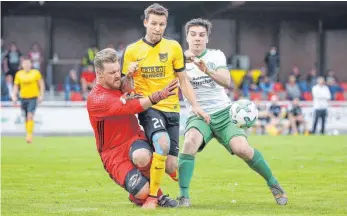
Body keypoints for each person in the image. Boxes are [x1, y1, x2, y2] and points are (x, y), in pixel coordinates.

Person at [177, 18, 287, 207]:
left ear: (207, 39)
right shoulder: (177, 58)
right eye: (193, 34)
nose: (197, 39)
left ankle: (273, 184)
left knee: (242, 149)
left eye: (201, 35)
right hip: (198, 115)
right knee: (189, 143)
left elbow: (226, 80)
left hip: (224, 113)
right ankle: (183, 196)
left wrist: (207, 70)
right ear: (187, 37)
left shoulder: (215, 56)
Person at [121, 3, 210, 208]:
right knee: (162, 143)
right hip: (149, 106)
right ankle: (152, 197)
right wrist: (129, 74)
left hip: (173, 109)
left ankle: (147, 185)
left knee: (171, 164)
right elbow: (125, 87)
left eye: (161, 24)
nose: (157, 28)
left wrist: (195, 105)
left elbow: (183, 80)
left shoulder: (174, 47)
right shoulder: (133, 50)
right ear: (145, 23)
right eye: (153, 23)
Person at [87, 48, 179, 209]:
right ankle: (141, 195)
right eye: (112, 72)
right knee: (141, 192)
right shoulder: (97, 99)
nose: (117, 75)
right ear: (99, 74)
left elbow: (126, 86)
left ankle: (158, 196)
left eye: (118, 70)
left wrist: (129, 75)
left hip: (133, 138)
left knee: (142, 156)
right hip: (112, 153)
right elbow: (133, 106)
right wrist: (159, 95)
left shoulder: (117, 84)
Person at [12, 58, 45, 143]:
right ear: (22, 65)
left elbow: (41, 84)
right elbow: (16, 86)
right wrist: (14, 96)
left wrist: (41, 95)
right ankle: (28, 133)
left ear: (31, 64)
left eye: (28, 63)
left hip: (33, 97)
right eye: (25, 64)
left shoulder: (35, 73)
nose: (26, 65)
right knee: (26, 117)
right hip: (23, 98)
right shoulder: (19, 74)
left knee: (30, 115)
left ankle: (29, 135)